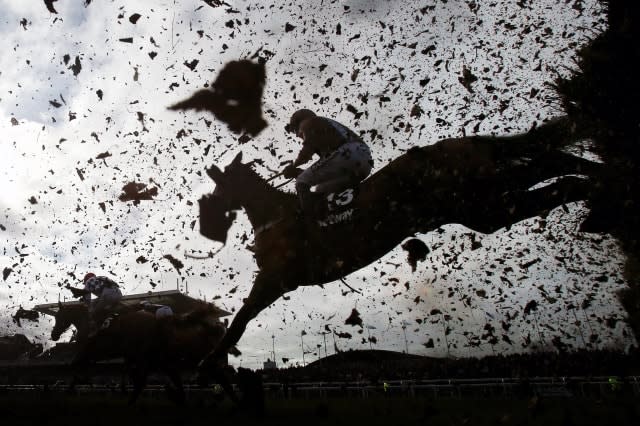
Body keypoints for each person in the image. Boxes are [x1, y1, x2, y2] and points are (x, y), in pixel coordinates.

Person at [282, 109, 373, 217]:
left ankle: (310, 220)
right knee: (321, 189)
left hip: (346, 153)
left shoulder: (308, 122)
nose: (297, 135)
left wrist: (293, 166)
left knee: (301, 181)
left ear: (298, 122)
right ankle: (341, 214)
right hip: (364, 162)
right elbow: (326, 167)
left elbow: (306, 153)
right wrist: (298, 172)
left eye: (294, 131)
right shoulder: (326, 125)